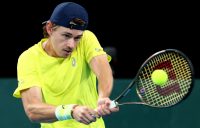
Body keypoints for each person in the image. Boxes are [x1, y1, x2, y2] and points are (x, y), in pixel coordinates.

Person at [13, 2, 119, 128]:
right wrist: (71, 111)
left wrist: (102, 97)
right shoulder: (29, 58)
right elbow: (32, 110)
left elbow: (103, 71)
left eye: (77, 38)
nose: (71, 45)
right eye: (66, 35)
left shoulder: (87, 39)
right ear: (49, 28)